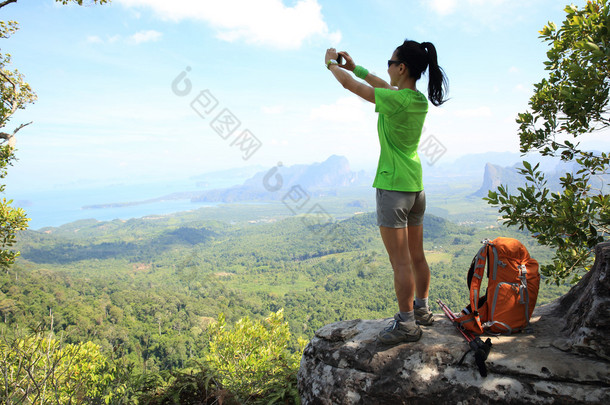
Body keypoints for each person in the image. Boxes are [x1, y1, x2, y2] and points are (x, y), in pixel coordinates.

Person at [324, 40, 449, 344]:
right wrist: (355, 66)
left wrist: (331, 64)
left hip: (393, 188)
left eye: (391, 62)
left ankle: (406, 325)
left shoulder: (398, 100)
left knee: (401, 262)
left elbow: (352, 88)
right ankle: (421, 310)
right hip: (415, 188)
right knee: (417, 255)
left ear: (402, 67)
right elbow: (380, 84)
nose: (388, 67)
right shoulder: (415, 100)